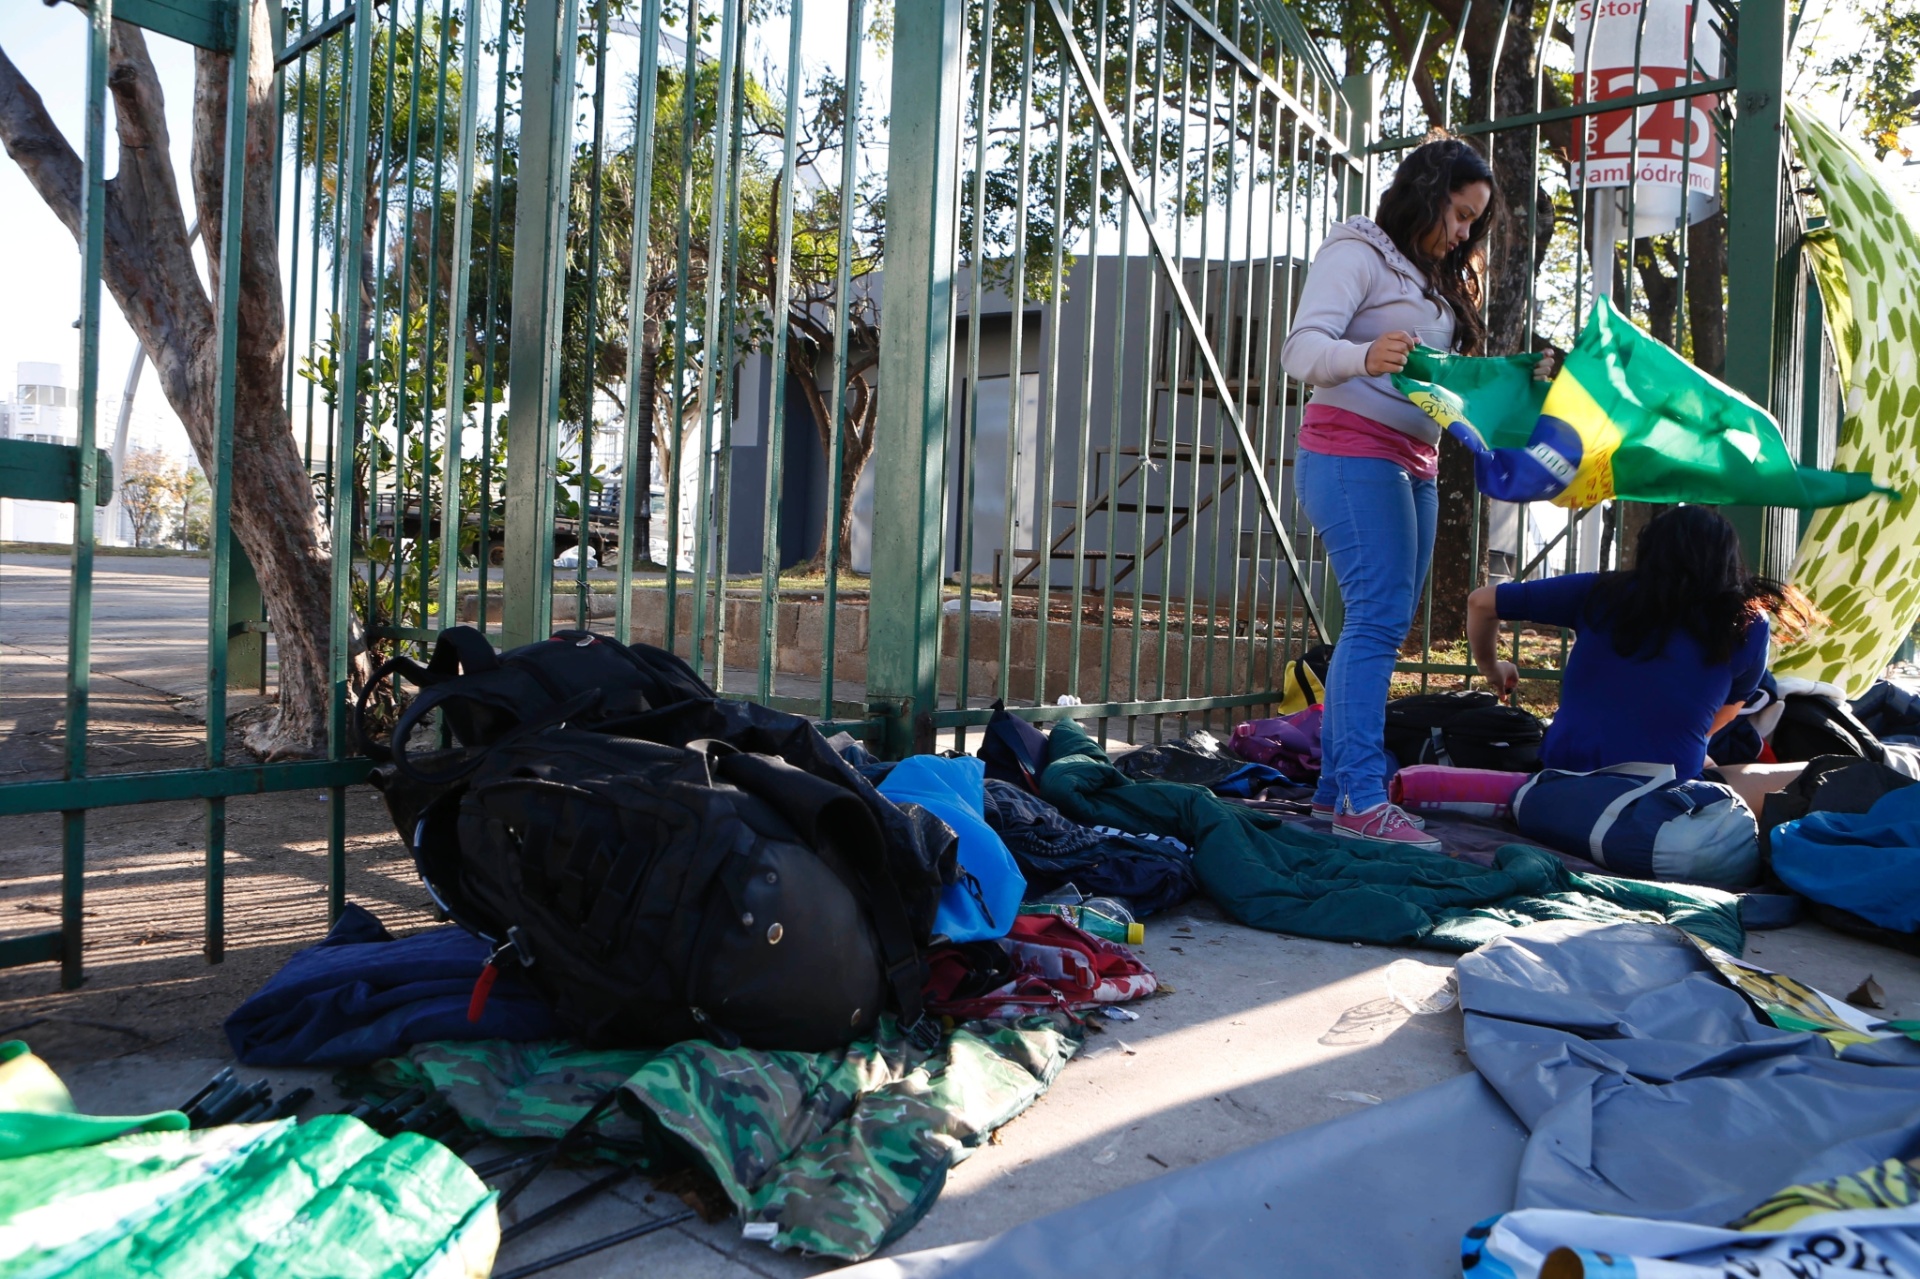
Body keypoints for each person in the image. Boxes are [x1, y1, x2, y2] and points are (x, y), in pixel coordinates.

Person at [1281, 136, 1551, 850]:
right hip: (1350, 452)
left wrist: (1525, 373)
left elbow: (1447, 382)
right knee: (1376, 620)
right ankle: (1365, 799)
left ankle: (1337, 794)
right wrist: (1362, 356)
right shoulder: (1358, 249)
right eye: (1460, 214)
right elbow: (1301, 350)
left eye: (1473, 222)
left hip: (1418, 461)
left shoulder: (1434, 277)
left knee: (1381, 624)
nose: (1465, 232)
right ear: (1427, 192)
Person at [1467, 505, 1823, 791]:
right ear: (1728, 559)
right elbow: (1727, 713)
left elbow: (1481, 602)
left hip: (1563, 775)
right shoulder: (1747, 621)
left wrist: (1492, 669)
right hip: (1665, 790)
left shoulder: (1599, 592)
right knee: (1808, 775)